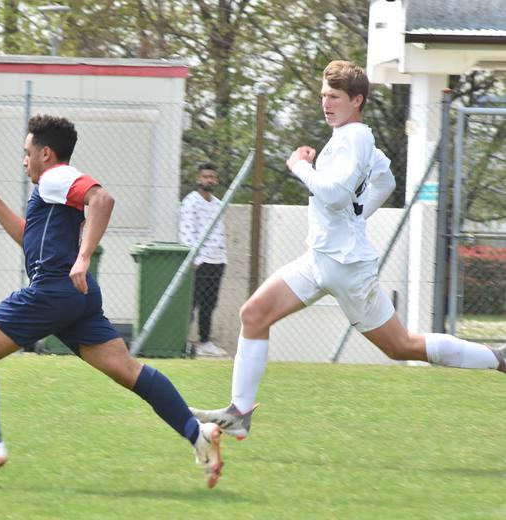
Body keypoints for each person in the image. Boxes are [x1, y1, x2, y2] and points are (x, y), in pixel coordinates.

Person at [193, 60, 506, 440]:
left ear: (357, 100)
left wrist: (299, 167)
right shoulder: (348, 135)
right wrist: (360, 213)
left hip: (347, 267)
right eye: (324, 95)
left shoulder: (355, 137)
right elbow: (385, 179)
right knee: (254, 313)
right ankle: (240, 413)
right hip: (320, 258)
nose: (326, 103)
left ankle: (497, 357)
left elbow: (337, 194)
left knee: (401, 346)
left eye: (335, 97)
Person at [0, 114, 225, 488]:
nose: (23, 160)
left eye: (27, 153)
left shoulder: (56, 176)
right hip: (77, 297)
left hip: (52, 291)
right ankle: (196, 433)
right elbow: (30, 238)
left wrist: (85, 254)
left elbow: (102, 199)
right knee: (129, 371)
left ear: (46, 152)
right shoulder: (53, 188)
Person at [179, 163, 228, 357]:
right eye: (205, 176)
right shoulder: (190, 202)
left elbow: (220, 231)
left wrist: (223, 257)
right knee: (192, 303)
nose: (209, 180)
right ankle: (181, 341)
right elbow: (186, 231)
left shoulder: (218, 203)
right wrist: (194, 259)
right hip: (200, 262)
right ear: (199, 179)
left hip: (218, 260)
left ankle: (205, 341)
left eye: (212, 177)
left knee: (210, 304)